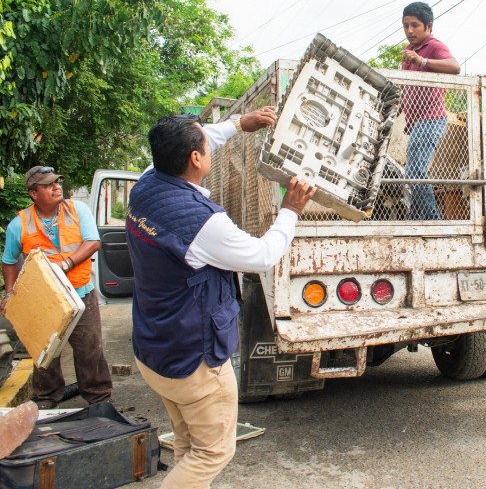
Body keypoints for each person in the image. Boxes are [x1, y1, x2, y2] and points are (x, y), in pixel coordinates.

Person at [127, 113, 315, 489]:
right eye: (203, 144)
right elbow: (263, 255)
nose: (208, 144)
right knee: (212, 452)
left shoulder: (146, 185)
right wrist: (290, 211)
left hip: (155, 348)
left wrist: (238, 124)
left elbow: (203, 138)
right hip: (192, 362)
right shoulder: (202, 223)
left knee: (189, 444)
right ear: (195, 159)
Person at [1, 166, 113, 408]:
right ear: (33, 193)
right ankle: (46, 402)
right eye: (48, 185)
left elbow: (93, 242)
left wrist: (65, 264)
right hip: (43, 301)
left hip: (81, 294)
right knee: (46, 355)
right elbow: (9, 261)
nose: (56, 187)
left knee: (90, 351)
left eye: (57, 182)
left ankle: (99, 401)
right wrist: (9, 293)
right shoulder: (18, 225)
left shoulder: (77, 210)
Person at [400, 1, 461, 220]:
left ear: (428, 26)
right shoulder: (408, 51)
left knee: (416, 171)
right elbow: (406, 88)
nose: (409, 31)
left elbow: (455, 67)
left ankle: (433, 220)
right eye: (406, 25)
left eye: (415, 25)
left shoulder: (434, 46)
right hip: (416, 123)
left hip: (432, 119)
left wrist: (423, 61)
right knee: (412, 174)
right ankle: (415, 219)